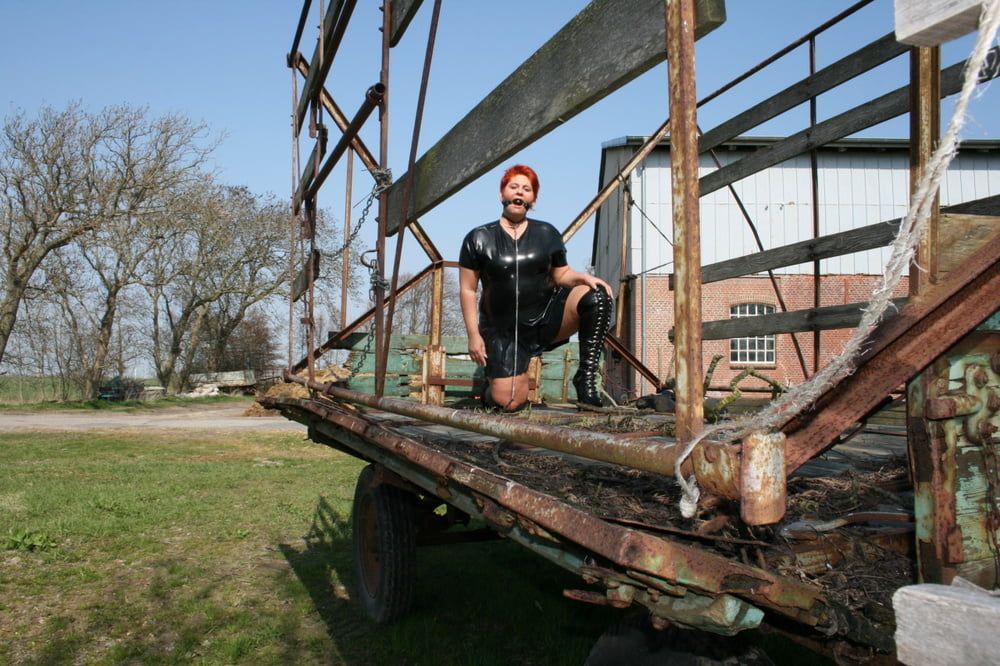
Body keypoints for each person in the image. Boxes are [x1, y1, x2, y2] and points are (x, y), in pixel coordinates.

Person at [459, 164, 615, 412]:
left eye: (526, 189)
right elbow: (468, 290)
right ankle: (490, 387)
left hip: (545, 319)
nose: (519, 193)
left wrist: (584, 278)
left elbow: (561, 274)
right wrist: (473, 335)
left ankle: (585, 378)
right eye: (513, 187)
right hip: (502, 331)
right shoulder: (478, 238)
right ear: (502, 194)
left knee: (597, 297)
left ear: (533, 198)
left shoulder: (547, 233)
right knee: (508, 402)